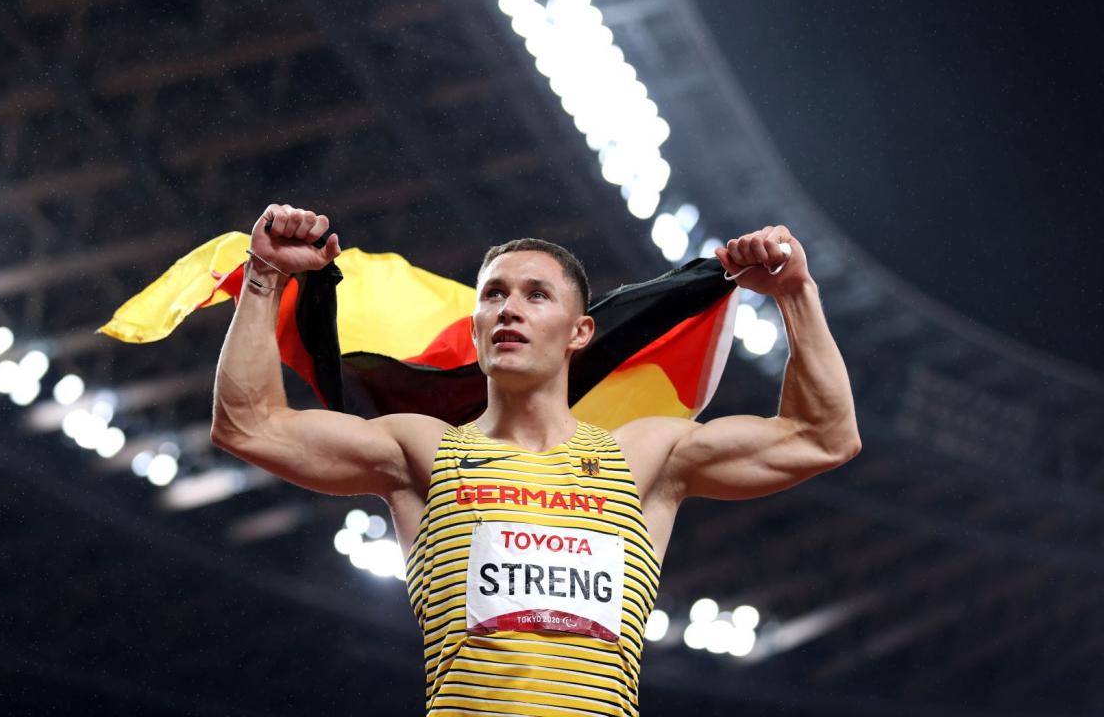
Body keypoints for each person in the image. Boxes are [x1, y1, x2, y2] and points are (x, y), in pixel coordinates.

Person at [210, 203, 861, 716]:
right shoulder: (422, 451)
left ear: (581, 333)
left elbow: (824, 437)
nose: (509, 309)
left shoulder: (645, 456)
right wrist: (265, 276)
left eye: (535, 295)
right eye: (493, 295)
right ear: (476, 329)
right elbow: (248, 425)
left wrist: (795, 294)